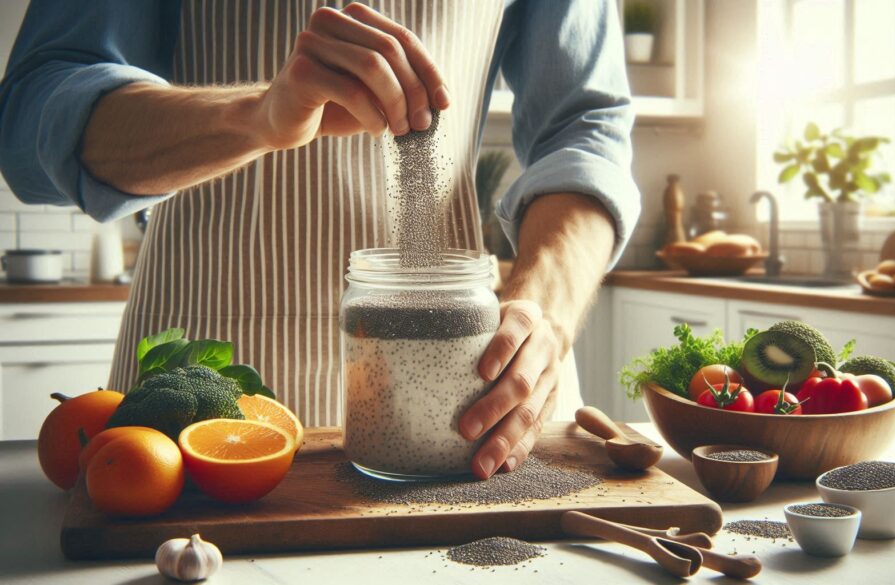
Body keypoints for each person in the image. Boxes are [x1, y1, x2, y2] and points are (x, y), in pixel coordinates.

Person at [0, 0, 639, 479]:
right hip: (201, 381)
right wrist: (254, 115)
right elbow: (32, 112)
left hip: (462, 384)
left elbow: (585, 125)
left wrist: (545, 312)